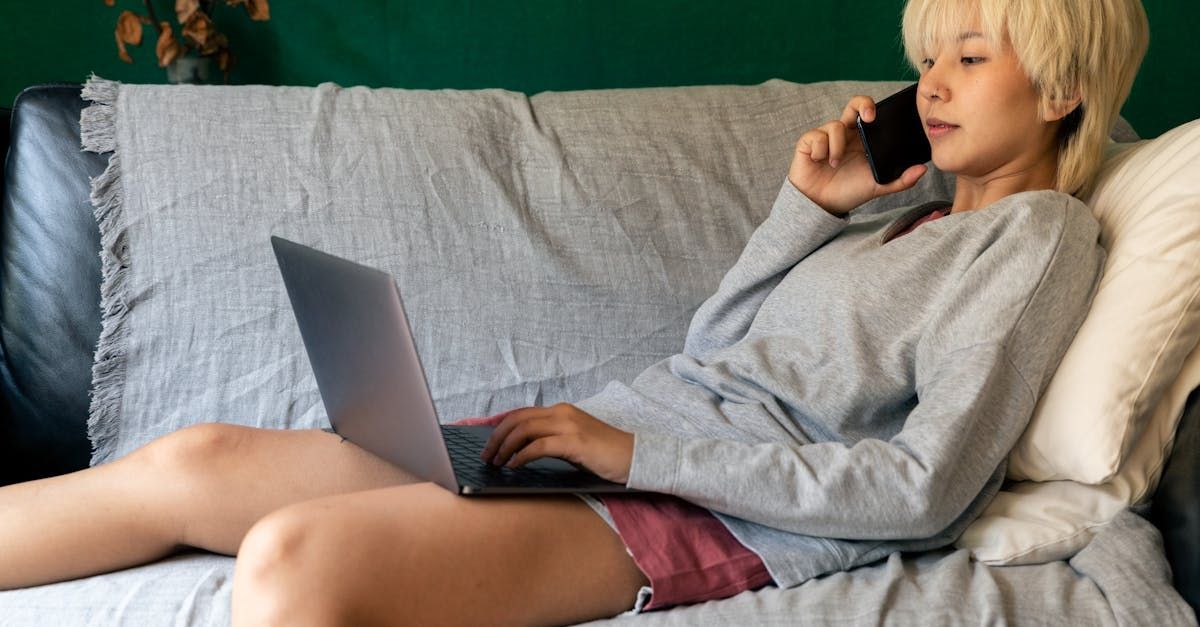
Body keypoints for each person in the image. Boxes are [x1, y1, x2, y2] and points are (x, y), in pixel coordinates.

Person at [0, 0, 1149, 624]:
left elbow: (927, 490)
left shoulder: (1040, 240)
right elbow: (719, 350)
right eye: (928, 54)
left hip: (701, 510)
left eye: (970, 54)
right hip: (609, 446)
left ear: (1060, 90)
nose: (930, 82)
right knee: (194, 460)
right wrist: (809, 209)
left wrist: (634, 453)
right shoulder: (907, 223)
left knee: (297, 561)